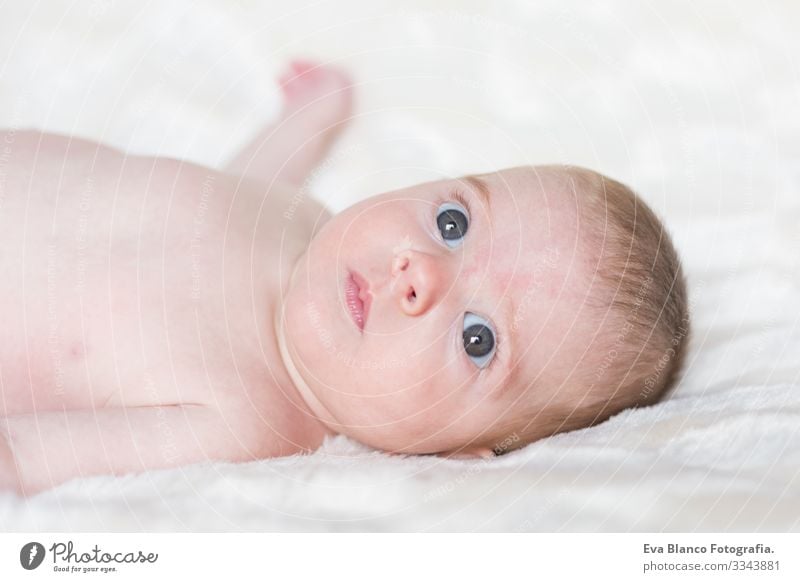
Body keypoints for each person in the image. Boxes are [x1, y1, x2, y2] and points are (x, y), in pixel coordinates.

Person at [0, 60, 689, 495]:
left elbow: (23, 459)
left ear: (452, 454)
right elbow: (239, 188)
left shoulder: (245, 420)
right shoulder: (303, 221)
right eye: (453, 224)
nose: (419, 274)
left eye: (478, 339)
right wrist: (305, 120)